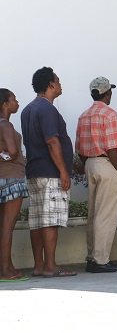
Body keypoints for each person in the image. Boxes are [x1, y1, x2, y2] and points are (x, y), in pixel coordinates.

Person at [21, 67, 76, 278]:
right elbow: (52, 141)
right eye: (58, 81)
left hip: (34, 171)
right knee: (51, 219)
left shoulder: (27, 110)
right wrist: (63, 171)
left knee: (37, 220)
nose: (60, 85)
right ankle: (51, 266)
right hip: (50, 172)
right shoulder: (47, 109)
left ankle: (39, 265)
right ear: (51, 85)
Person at [75, 77, 117, 273]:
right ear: (108, 93)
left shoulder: (84, 115)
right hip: (107, 164)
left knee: (94, 214)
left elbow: (79, 148)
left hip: (90, 163)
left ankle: (92, 257)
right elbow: (112, 148)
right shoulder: (109, 114)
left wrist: (88, 161)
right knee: (106, 215)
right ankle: (101, 260)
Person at [0, 89, 30, 282]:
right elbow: (13, 152)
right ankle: (6, 270)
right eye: (13, 99)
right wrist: (8, 156)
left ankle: (7, 266)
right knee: (7, 227)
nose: (17, 102)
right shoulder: (6, 125)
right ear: (4, 104)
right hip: (12, 180)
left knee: (2, 226)